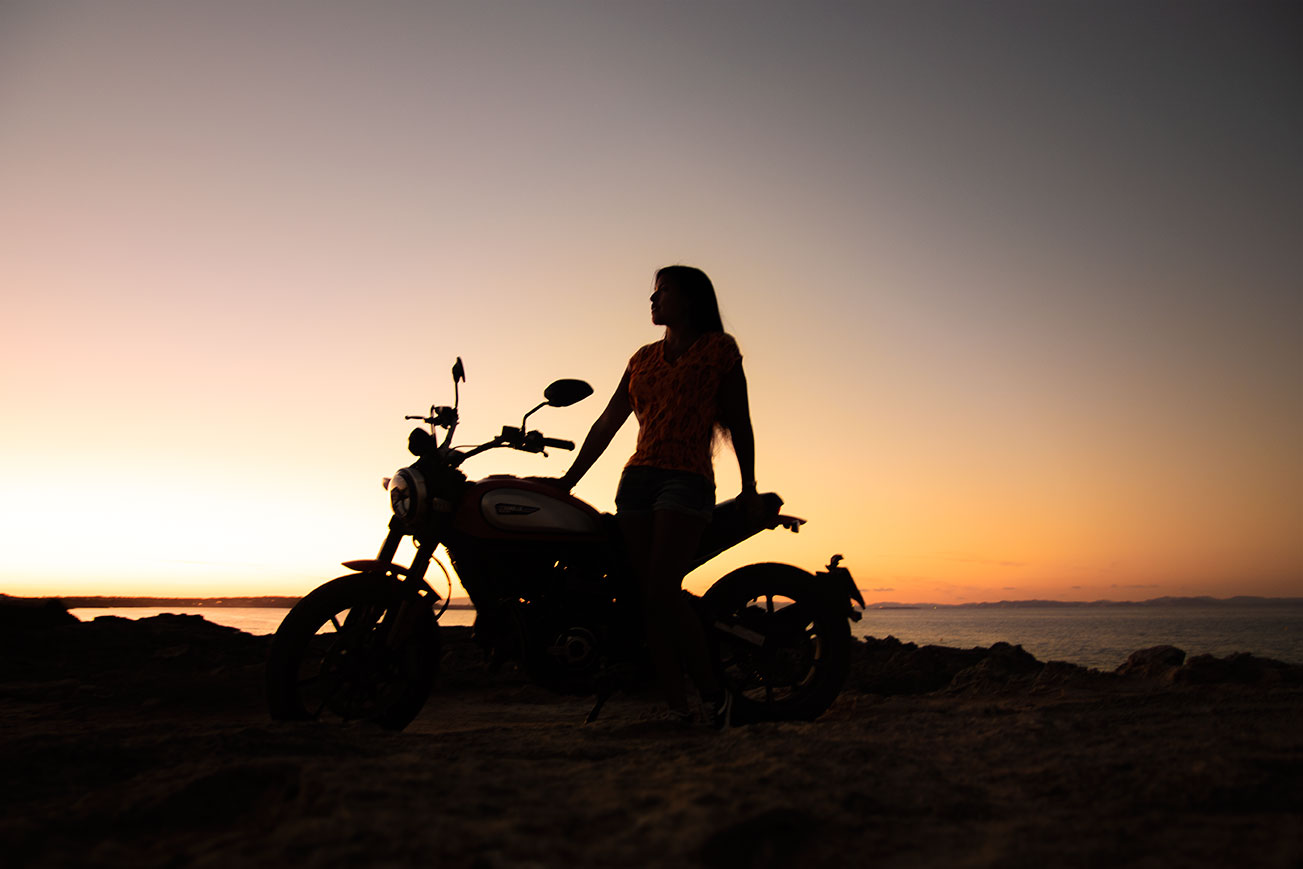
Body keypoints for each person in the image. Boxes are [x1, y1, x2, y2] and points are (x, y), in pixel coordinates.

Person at [552, 265, 763, 727]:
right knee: (647, 597)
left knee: (663, 591)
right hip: (636, 482)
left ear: (690, 300)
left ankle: (713, 698)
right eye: (653, 293)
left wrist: (747, 486)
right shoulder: (642, 358)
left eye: (662, 292)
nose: (652, 301)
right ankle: (676, 708)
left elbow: (740, 422)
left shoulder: (718, 351)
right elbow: (608, 422)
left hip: (685, 479)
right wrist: (568, 481)